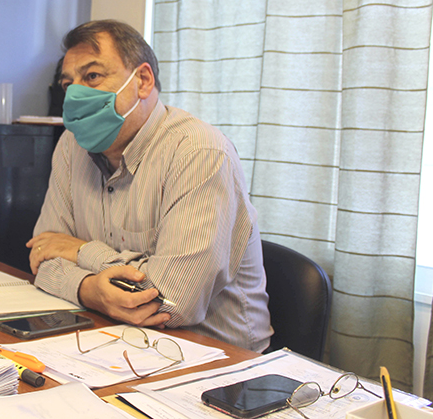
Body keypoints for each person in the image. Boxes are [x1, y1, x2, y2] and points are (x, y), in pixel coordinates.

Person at [26, 19, 272, 352]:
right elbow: (42, 257)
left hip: (217, 356)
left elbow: (171, 302)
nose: (75, 95)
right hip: (114, 339)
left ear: (142, 81)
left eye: (92, 76)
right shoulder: (72, 145)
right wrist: (91, 291)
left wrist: (80, 252)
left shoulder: (199, 152)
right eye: (68, 84)